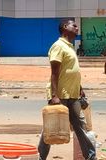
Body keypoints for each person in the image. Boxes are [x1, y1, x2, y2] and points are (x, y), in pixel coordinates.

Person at [38, 19, 97, 160]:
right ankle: (41, 156)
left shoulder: (70, 46)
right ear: (65, 27)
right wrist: (54, 95)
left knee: (81, 127)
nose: (77, 28)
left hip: (73, 94)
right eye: (74, 25)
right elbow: (54, 73)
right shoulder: (58, 46)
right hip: (60, 95)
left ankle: (91, 156)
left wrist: (80, 88)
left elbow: (71, 71)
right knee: (51, 128)